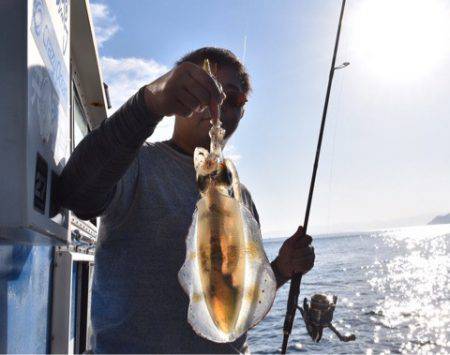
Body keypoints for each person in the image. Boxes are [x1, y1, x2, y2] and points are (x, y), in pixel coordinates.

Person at [57, 47, 315, 353]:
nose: (215, 104)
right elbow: (77, 193)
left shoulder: (241, 196)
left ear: (241, 113)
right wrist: (150, 102)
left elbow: (233, 309)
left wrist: (281, 270)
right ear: (177, 93)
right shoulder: (137, 164)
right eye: (202, 89)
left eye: (231, 100)